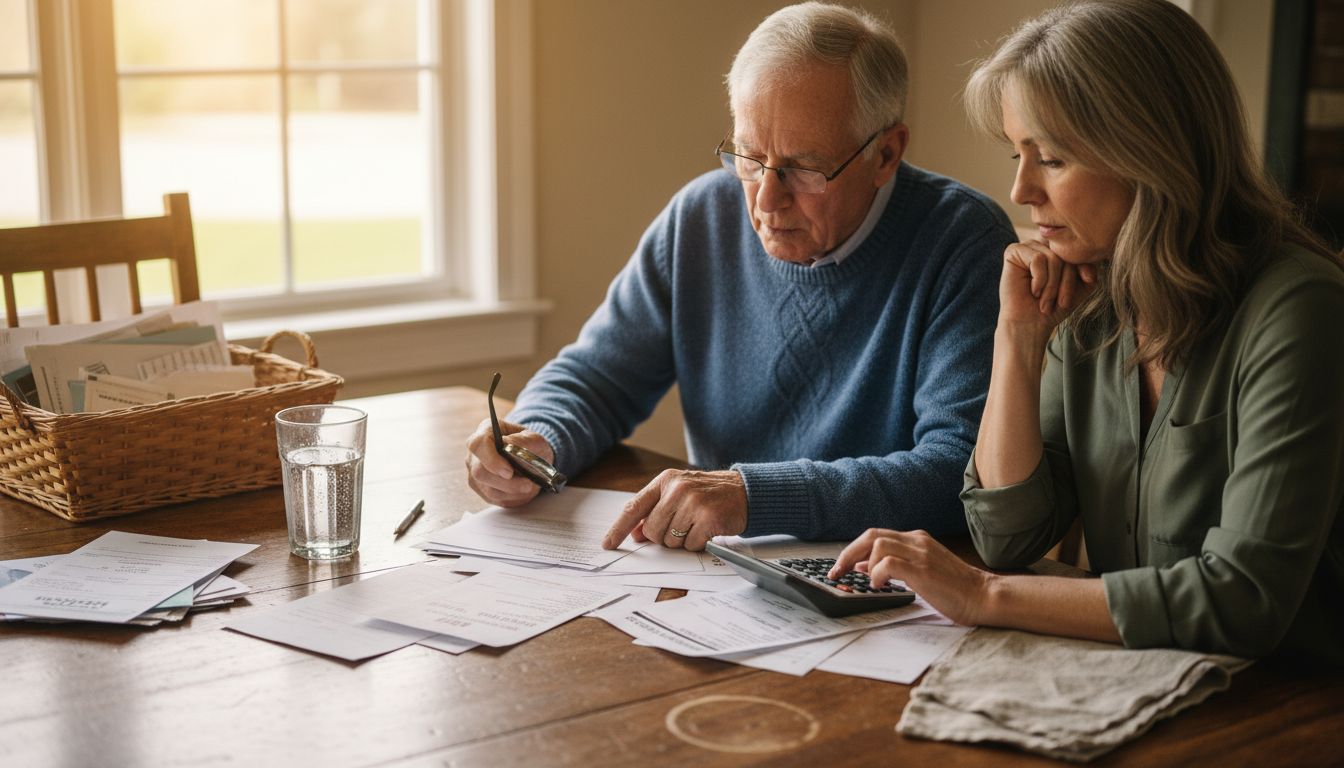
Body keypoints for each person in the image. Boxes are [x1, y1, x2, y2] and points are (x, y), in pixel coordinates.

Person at [830, 0, 1344, 663]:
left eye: (1049, 158)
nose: (1020, 190)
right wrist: (1016, 343)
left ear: (1149, 153)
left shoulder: (1299, 310)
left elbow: (1242, 599)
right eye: (1018, 154)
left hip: (1287, 710)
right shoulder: (1092, 297)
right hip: (1142, 683)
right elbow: (1007, 535)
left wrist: (983, 596)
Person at [464, 2, 1015, 552]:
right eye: (748, 157)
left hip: (884, 583)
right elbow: (599, 377)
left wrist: (753, 495)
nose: (766, 200)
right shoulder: (701, 218)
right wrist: (537, 439)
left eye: (803, 168)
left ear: (886, 153)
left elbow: (959, 473)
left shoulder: (962, 240)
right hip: (716, 571)